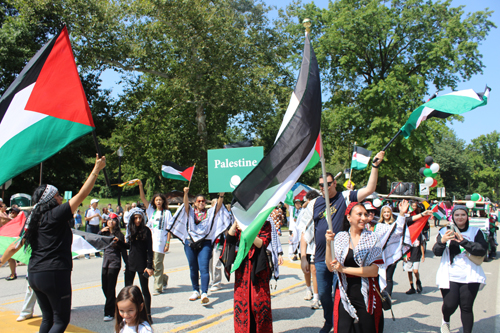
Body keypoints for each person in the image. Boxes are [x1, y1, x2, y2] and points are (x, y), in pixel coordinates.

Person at [0, 154, 106, 333]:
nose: (60, 198)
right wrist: (96, 169)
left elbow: (14, 246)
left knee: (47, 319)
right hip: (54, 273)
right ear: (50, 199)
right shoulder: (56, 214)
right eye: (57, 195)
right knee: (60, 321)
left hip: (34, 274)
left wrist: (0, 261)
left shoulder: (31, 219)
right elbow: (82, 194)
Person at [298, 151, 385, 333]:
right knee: (323, 295)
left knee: (343, 295)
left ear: (334, 183)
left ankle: (347, 322)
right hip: (322, 258)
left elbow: (369, 189)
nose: (324, 188)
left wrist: (375, 167)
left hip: (342, 258)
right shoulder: (314, 204)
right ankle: (329, 321)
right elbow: (305, 232)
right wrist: (303, 256)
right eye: (321, 185)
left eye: (327, 184)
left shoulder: (345, 197)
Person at [325, 202, 384, 333]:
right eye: (359, 214)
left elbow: (373, 271)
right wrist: (329, 244)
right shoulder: (340, 237)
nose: (363, 218)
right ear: (349, 217)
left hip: (367, 294)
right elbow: (331, 267)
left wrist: (343, 269)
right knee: (343, 329)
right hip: (344, 291)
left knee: (367, 329)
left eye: (365, 214)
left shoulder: (372, 238)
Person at [169, 188, 229, 304]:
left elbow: (217, 207)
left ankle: (204, 292)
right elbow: (186, 205)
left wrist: (221, 196)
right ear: (195, 203)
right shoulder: (190, 212)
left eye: (203, 201)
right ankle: (195, 290)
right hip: (190, 242)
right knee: (193, 267)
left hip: (205, 242)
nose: (201, 203)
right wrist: (186, 193)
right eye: (199, 201)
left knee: (204, 267)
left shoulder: (209, 213)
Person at [433, 205, 487, 333]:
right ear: (452, 217)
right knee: (450, 305)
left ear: (467, 216)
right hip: (450, 275)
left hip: (470, 275)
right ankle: (446, 320)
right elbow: (436, 252)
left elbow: (482, 250)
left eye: (463, 214)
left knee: (466, 307)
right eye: (457, 215)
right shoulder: (444, 231)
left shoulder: (475, 231)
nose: (460, 217)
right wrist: (442, 241)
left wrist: (463, 242)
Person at [225, 218, 273, 332]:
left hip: (258, 268)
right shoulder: (242, 222)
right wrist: (235, 225)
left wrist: (246, 231)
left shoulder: (265, 223)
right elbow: (230, 238)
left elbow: (261, 243)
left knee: (260, 304)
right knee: (242, 304)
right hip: (243, 268)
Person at [115, 208, 154, 322]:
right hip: (131, 263)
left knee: (144, 290)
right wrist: (119, 242)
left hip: (142, 264)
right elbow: (130, 247)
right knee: (127, 290)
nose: (137, 220)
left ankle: (148, 314)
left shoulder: (146, 231)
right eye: (135, 218)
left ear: (142, 218)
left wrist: (149, 266)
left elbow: (149, 250)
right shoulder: (130, 230)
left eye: (139, 218)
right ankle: (126, 313)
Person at [138, 180, 172, 296]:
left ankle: (158, 287)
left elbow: (169, 229)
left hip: (160, 242)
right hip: (149, 242)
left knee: (157, 264)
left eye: (160, 200)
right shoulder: (151, 211)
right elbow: (143, 198)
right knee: (151, 264)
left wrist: (168, 243)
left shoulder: (167, 213)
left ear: (163, 201)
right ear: (154, 201)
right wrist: (140, 186)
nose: (158, 201)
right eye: (156, 200)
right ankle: (163, 278)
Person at [99, 213, 128, 322]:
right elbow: (95, 241)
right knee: (104, 287)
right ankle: (115, 304)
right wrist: (100, 232)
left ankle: (109, 312)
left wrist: (127, 263)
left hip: (114, 262)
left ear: (117, 222)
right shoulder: (104, 233)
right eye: (109, 220)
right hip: (105, 261)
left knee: (111, 287)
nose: (111, 222)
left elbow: (123, 250)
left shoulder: (119, 235)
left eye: (113, 220)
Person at [297, 190, 321, 308]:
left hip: (317, 246)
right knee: (306, 269)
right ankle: (308, 288)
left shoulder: (321, 211)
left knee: (314, 270)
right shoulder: (304, 212)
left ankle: (316, 296)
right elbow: (302, 231)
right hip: (306, 244)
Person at [404, 209, 433, 295]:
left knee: (415, 271)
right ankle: (412, 286)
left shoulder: (419, 233)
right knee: (408, 270)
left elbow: (421, 245)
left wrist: (423, 255)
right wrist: (404, 255)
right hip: (408, 254)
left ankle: (418, 281)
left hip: (416, 254)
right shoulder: (406, 233)